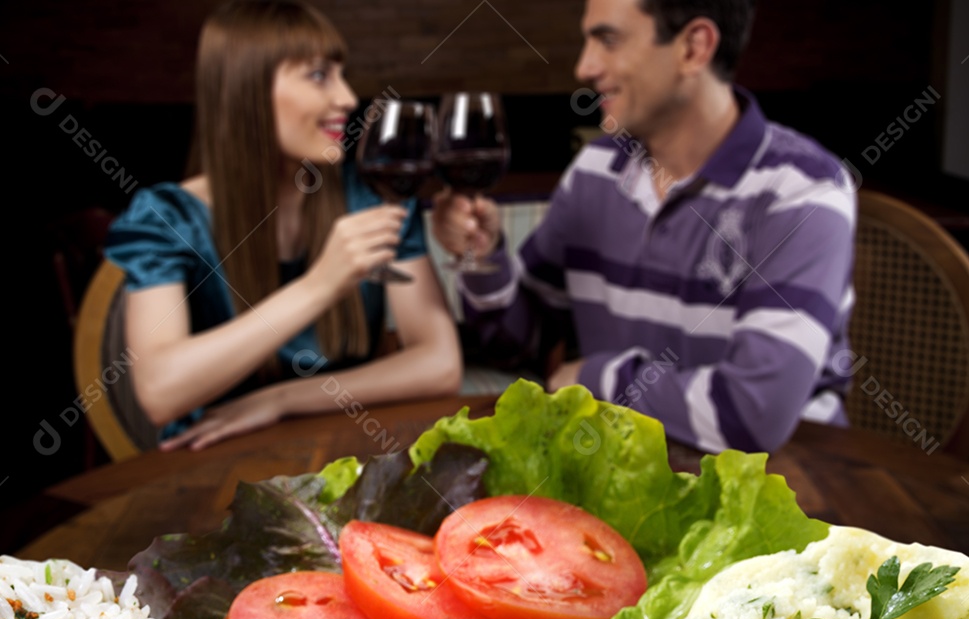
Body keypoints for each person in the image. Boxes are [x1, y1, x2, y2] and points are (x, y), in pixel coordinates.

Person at [431, 0, 856, 454]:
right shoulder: (595, 171)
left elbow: (752, 416)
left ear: (693, 48)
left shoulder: (802, 191)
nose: (584, 67)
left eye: (608, 40)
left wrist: (594, 379)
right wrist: (484, 257)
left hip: (794, 487)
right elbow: (517, 346)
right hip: (625, 470)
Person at [105, 0, 461, 451]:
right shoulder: (167, 216)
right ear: (246, 89)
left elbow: (440, 364)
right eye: (318, 76)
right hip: (213, 463)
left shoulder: (372, 195)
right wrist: (320, 285)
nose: (347, 98)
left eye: (340, 74)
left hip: (346, 449)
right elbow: (160, 392)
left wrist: (279, 400)